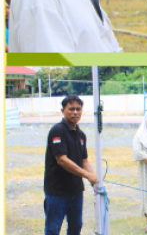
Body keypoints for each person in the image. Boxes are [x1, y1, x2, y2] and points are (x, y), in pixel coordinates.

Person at [44, 95, 97, 235]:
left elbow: (84, 160)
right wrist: (87, 175)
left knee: (76, 227)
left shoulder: (81, 135)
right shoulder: (57, 131)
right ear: (63, 111)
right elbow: (61, 160)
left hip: (76, 191)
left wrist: (93, 179)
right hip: (57, 191)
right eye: (71, 109)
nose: (75, 112)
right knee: (53, 229)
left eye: (78, 109)